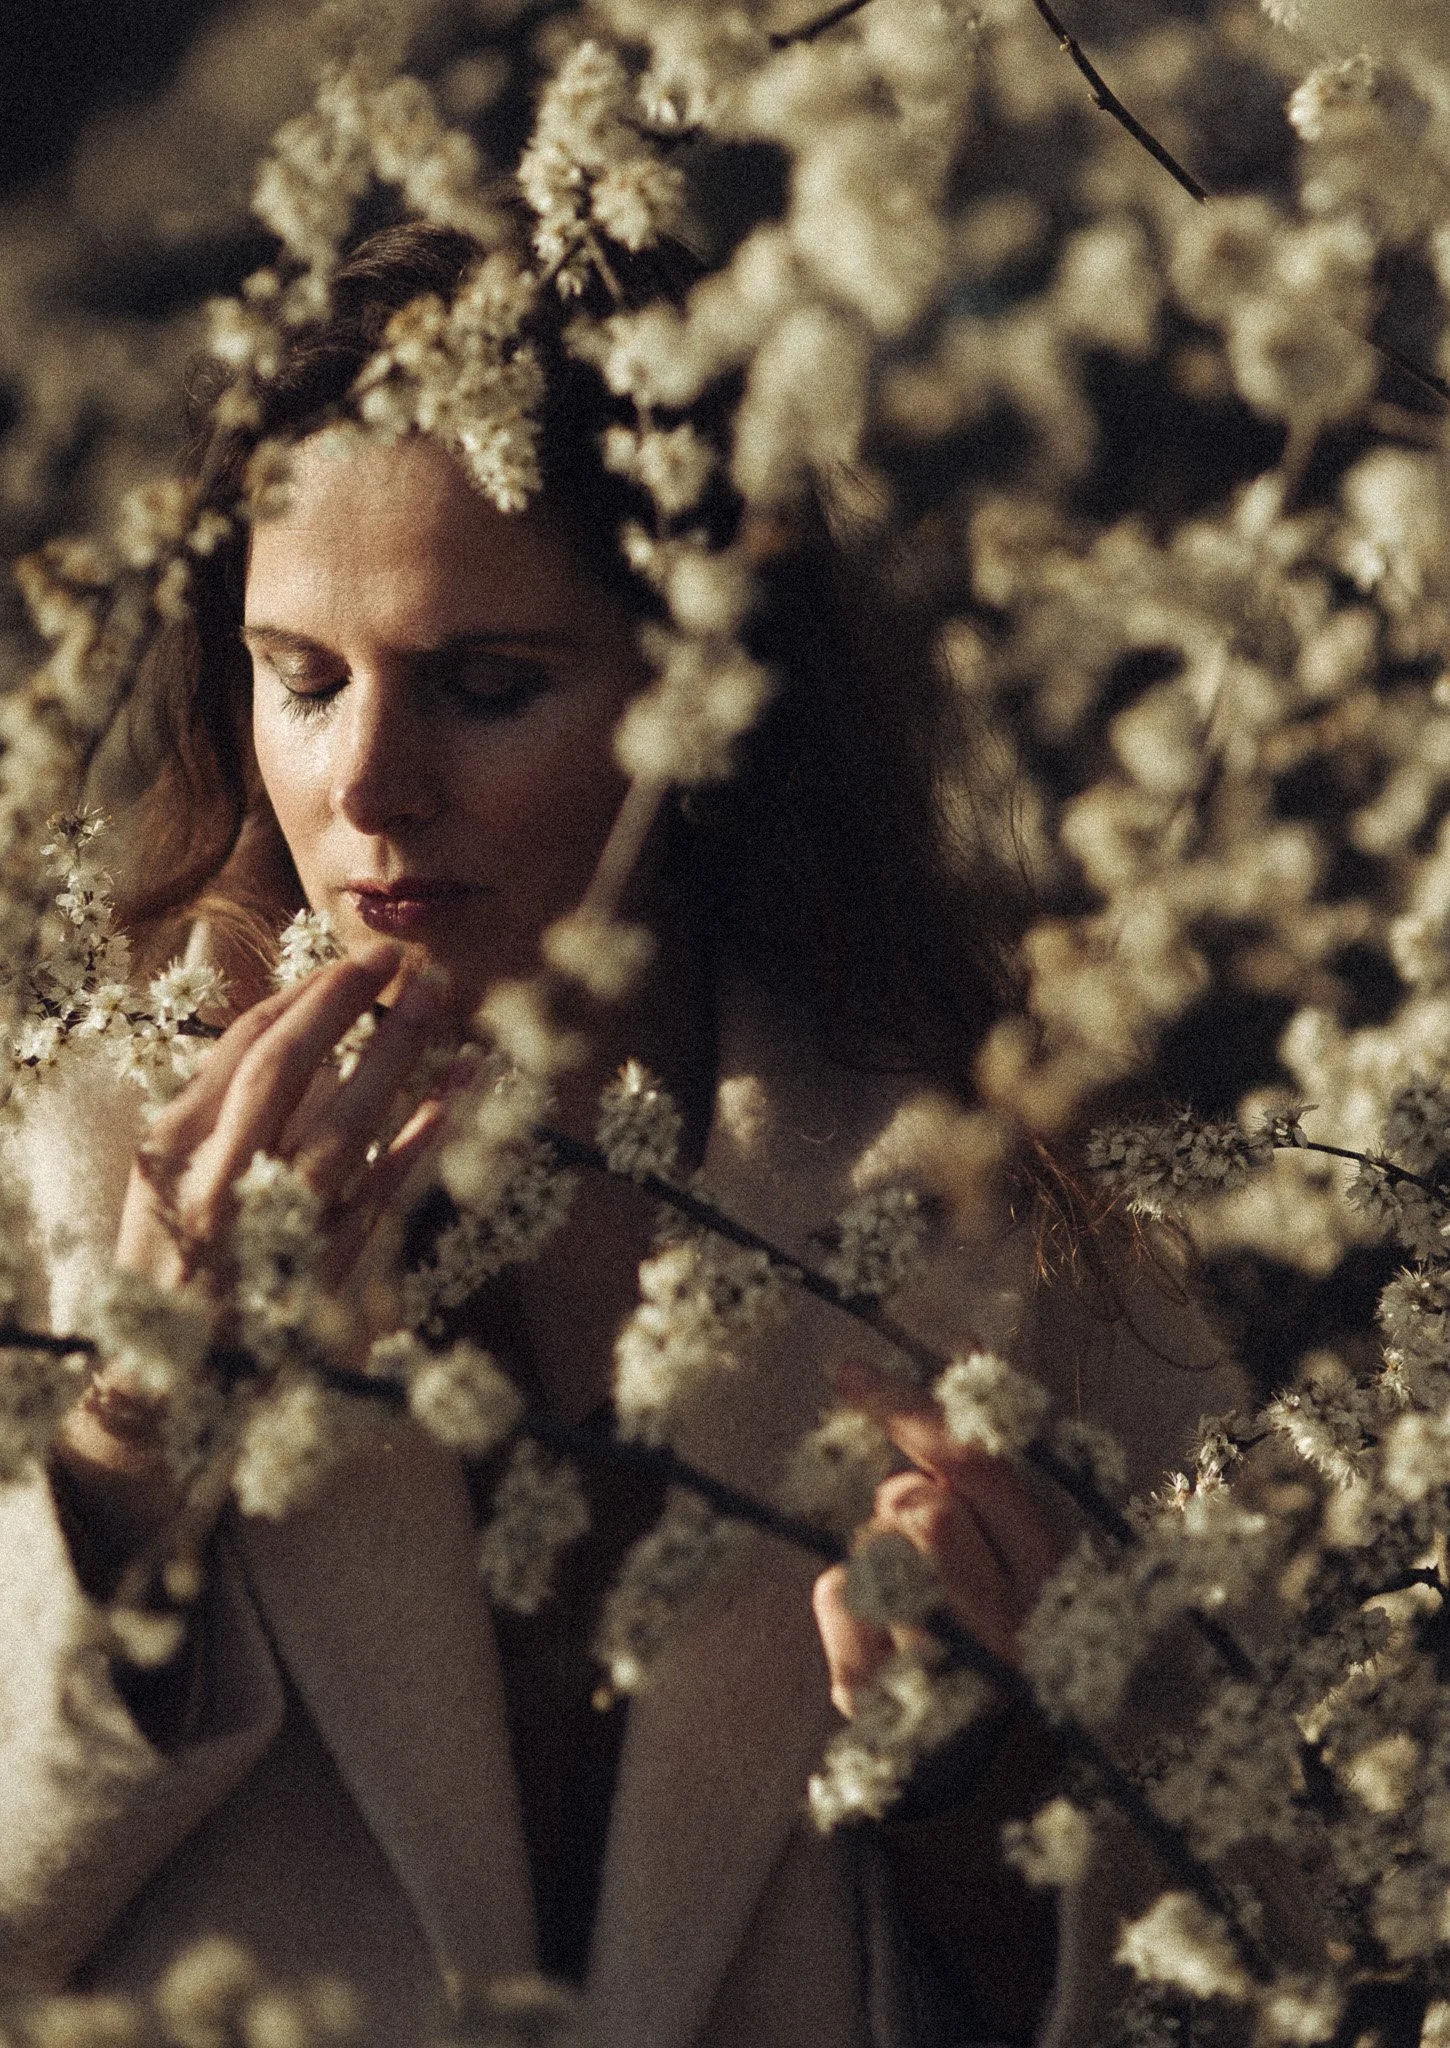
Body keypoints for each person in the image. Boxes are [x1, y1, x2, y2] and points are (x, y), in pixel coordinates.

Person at [0, 223, 1241, 2048]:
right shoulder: (76, 1178)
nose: (366, 785)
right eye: (302, 676)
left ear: (712, 703)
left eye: (487, 685)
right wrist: (122, 1460)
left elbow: (1258, 1949)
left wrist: (980, 1779)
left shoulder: (1006, 1207)